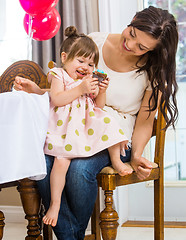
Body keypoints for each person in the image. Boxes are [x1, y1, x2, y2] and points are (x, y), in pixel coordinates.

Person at [14, 6, 178, 240]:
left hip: (114, 136)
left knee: (79, 171)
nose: (130, 45)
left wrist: (136, 155)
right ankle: (73, 236)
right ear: (132, 21)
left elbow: (145, 120)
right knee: (41, 163)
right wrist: (40, 91)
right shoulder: (95, 41)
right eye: (131, 34)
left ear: (153, 50)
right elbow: (67, 88)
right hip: (74, 126)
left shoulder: (152, 69)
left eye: (142, 47)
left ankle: (71, 235)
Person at [40, 26, 132, 227]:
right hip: (65, 129)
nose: (86, 67)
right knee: (61, 162)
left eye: (91, 64)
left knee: (110, 124)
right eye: (80, 61)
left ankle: (116, 160)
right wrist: (80, 88)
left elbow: (98, 106)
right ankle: (55, 204)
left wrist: (101, 91)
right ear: (64, 57)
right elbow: (56, 98)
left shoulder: (87, 80)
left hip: (85, 126)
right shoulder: (59, 75)